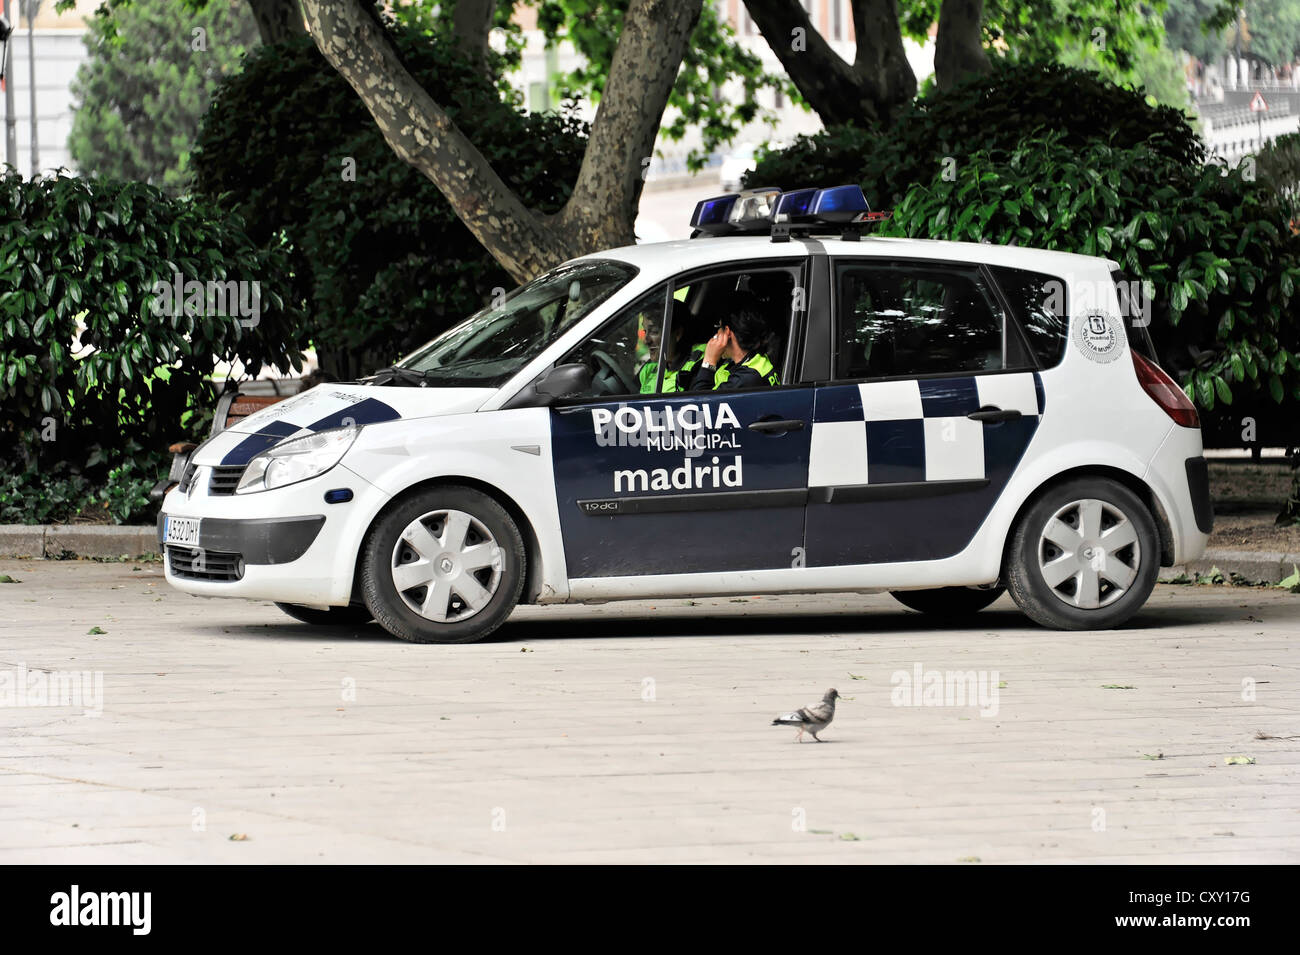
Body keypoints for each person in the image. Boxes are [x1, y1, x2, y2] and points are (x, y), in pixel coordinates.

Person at [682, 301, 781, 392]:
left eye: (718, 327)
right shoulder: (755, 361)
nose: (716, 332)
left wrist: (709, 361)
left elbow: (700, 406)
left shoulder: (746, 379)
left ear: (727, 332)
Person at [639, 300, 709, 394]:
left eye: (654, 331)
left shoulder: (703, 359)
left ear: (678, 333)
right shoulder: (649, 369)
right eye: (645, 331)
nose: (646, 340)